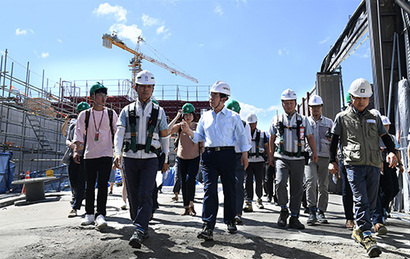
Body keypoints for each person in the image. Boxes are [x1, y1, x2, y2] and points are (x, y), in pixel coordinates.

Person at [328, 78, 398, 257]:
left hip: (374, 163)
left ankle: (359, 229)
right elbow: (334, 140)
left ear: (369, 99)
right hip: (353, 163)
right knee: (361, 199)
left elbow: (385, 135)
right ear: (351, 97)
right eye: (357, 97)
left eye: (365, 98)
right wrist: (332, 161)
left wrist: (391, 152)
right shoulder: (342, 117)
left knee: (372, 199)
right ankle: (366, 234)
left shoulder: (374, 116)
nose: (361, 101)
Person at [180, 81, 251, 241]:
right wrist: (189, 132)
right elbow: (199, 137)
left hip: (228, 155)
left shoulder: (233, 117)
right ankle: (207, 225)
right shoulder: (205, 116)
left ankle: (230, 220)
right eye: (211, 94)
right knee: (209, 190)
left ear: (224, 98)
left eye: (214, 95)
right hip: (209, 156)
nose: (210, 98)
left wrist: (245, 154)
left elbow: (241, 136)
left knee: (229, 189)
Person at [113, 70, 170, 249]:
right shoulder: (126, 110)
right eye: (142, 86)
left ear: (153, 89)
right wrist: (117, 153)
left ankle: (139, 229)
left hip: (150, 158)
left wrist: (166, 158)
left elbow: (164, 137)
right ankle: (141, 225)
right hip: (130, 158)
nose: (145, 90)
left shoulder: (159, 112)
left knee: (145, 193)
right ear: (135, 87)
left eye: (149, 86)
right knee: (132, 195)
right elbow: (119, 133)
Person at [268, 89, 318, 230]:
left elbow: (310, 137)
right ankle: (284, 210)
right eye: (286, 103)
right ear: (282, 104)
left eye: (291, 103)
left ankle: (294, 217)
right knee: (280, 182)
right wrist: (270, 156)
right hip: (281, 157)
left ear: (295, 104)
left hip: (298, 158)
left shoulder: (303, 120)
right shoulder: (276, 120)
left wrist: (314, 152)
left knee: (297, 188)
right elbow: (271, 138)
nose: (289, 105)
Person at [73, 83, 118, 229]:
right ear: (92, 97)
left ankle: (101, 214)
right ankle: (89, 214)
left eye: (105, 96)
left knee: (103, 186)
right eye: (100, 95)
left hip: (106, 154)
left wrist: (118, 153)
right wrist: (76, 151)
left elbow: (117, 134)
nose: (103, 98)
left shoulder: (111, 114)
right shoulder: (84, 114)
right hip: (89, 154)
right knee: (90, 186)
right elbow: (78, 135)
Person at [169, 103, 204, 216]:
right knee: (183, 182)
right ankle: (185, 207)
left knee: (190, 180)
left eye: (190, 114)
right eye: (186, 115)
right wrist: (177, 117)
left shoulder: (197, 126)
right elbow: (168, 130)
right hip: (181, 158)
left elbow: (201, 139)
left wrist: (202, 149)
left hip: (194, 158)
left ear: (194, 115)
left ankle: (191, 205)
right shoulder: (180, 126)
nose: (188, 117)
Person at [304, 95, 333, 225]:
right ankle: (311, 210)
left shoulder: (329, 122)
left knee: (323, 186)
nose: (315, 109)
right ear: (309, 108)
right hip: (309, 156)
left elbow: (334, 142)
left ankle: (321, 211)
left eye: (317, 107)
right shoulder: (305, 122)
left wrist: (334, 159)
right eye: (312, 107)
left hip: (325, 156)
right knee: (311, 182)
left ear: (321, 107)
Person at [372, 115, 402, 235]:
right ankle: (379, 212)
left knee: (394, 189)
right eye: (384, 125)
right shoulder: (377, 137)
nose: (386, 127)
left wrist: (400, 164)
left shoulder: (391, 137)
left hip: (391, 165)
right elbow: (380, 151)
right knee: (380, 190)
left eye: (387, 125)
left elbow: (396, 151)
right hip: (380, 165)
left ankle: (384, 207)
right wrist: (381, 164)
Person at [225, 99, 251, 224]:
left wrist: (245, 155)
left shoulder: (245, 124)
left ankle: (237, 212)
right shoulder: (223, 123)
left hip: (239, 155)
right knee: (228, 184)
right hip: (226, 155)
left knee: (238, 184)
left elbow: (247, 142)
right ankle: (229, 211)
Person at [64, 102, 90, 218]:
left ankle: (75, 206)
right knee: (73, 181)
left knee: (80, 181)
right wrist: (73, 146)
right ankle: (79, 196)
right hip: (72, 156)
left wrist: (82, 148)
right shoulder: (73, 125)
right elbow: (67, 139)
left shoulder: (90, 126)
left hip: (85, 157)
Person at [244, 113, 268, 212]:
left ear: (256, 123)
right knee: (248, 180)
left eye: (253, 124)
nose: (251, 126)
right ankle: (248, 200)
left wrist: (269, 157)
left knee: (259, 180)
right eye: (249, 124)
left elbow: (266, 146)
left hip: (259, 161)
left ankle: (259, 198)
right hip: (248, 161)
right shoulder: (244, 134)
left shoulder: (262, 134)